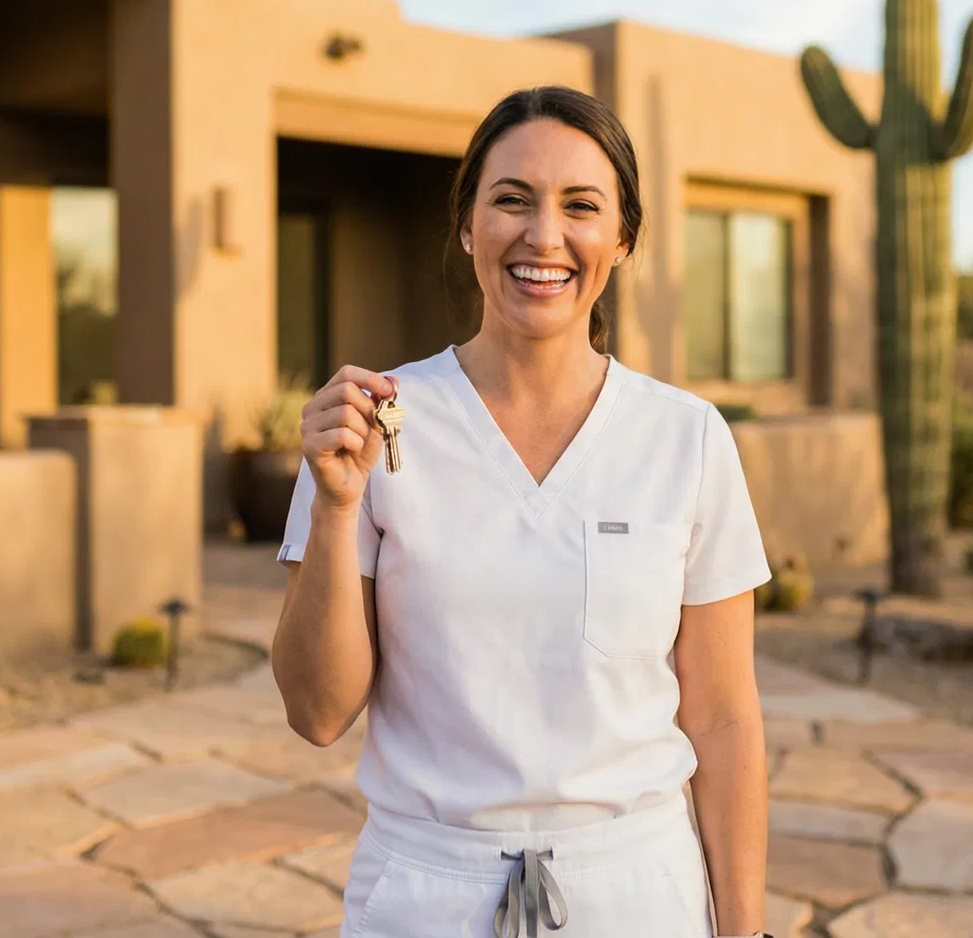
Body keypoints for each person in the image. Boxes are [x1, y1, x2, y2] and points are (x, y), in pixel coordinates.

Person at [272, 85, 773, 938]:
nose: (544, 236)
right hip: (427, 897)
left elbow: (723, 718)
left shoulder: (685, 438)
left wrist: (747, 929)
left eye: (581, 206)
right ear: (468, 225)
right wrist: (333, 507)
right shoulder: (376, 428)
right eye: (511, 200)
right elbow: (318, 714)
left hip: (637, 894)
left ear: (622, 238)